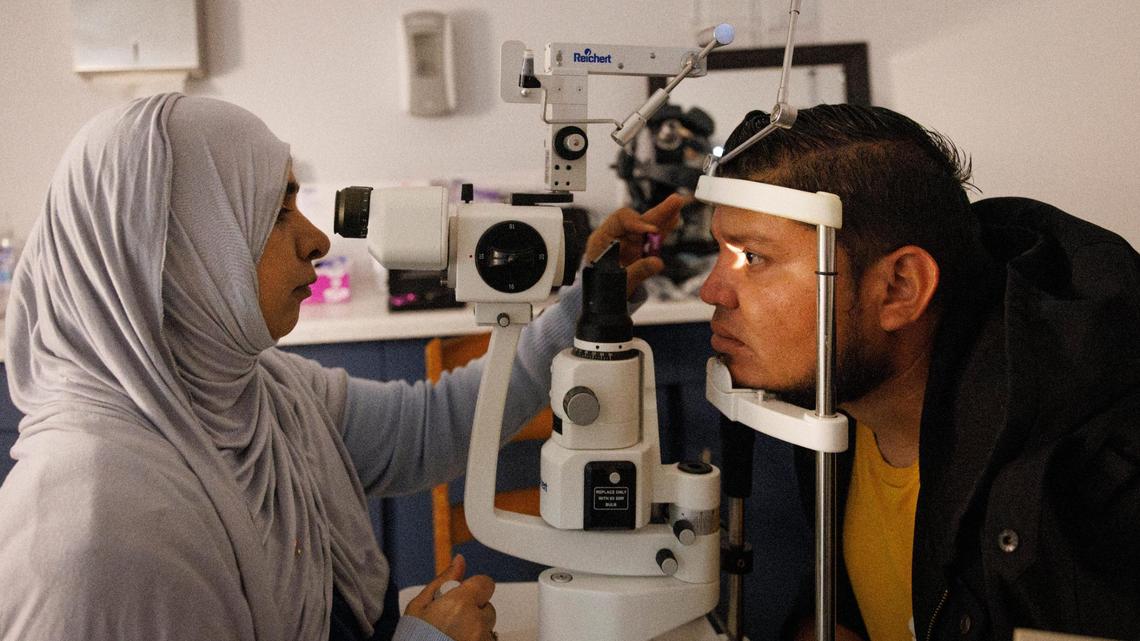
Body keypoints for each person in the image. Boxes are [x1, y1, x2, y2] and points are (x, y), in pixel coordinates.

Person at [0, 93, 681, 641]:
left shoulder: (253, 392)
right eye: (274, 210)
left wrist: (585, 301)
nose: (317, 238)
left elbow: (431, 428)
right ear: (176, 252)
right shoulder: (92, 539)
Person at [698, 104, 1140, 641]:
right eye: (719, 252)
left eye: (753, 257)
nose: (712, 291)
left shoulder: (1095, 478)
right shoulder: (836, 401)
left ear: (899, 288)